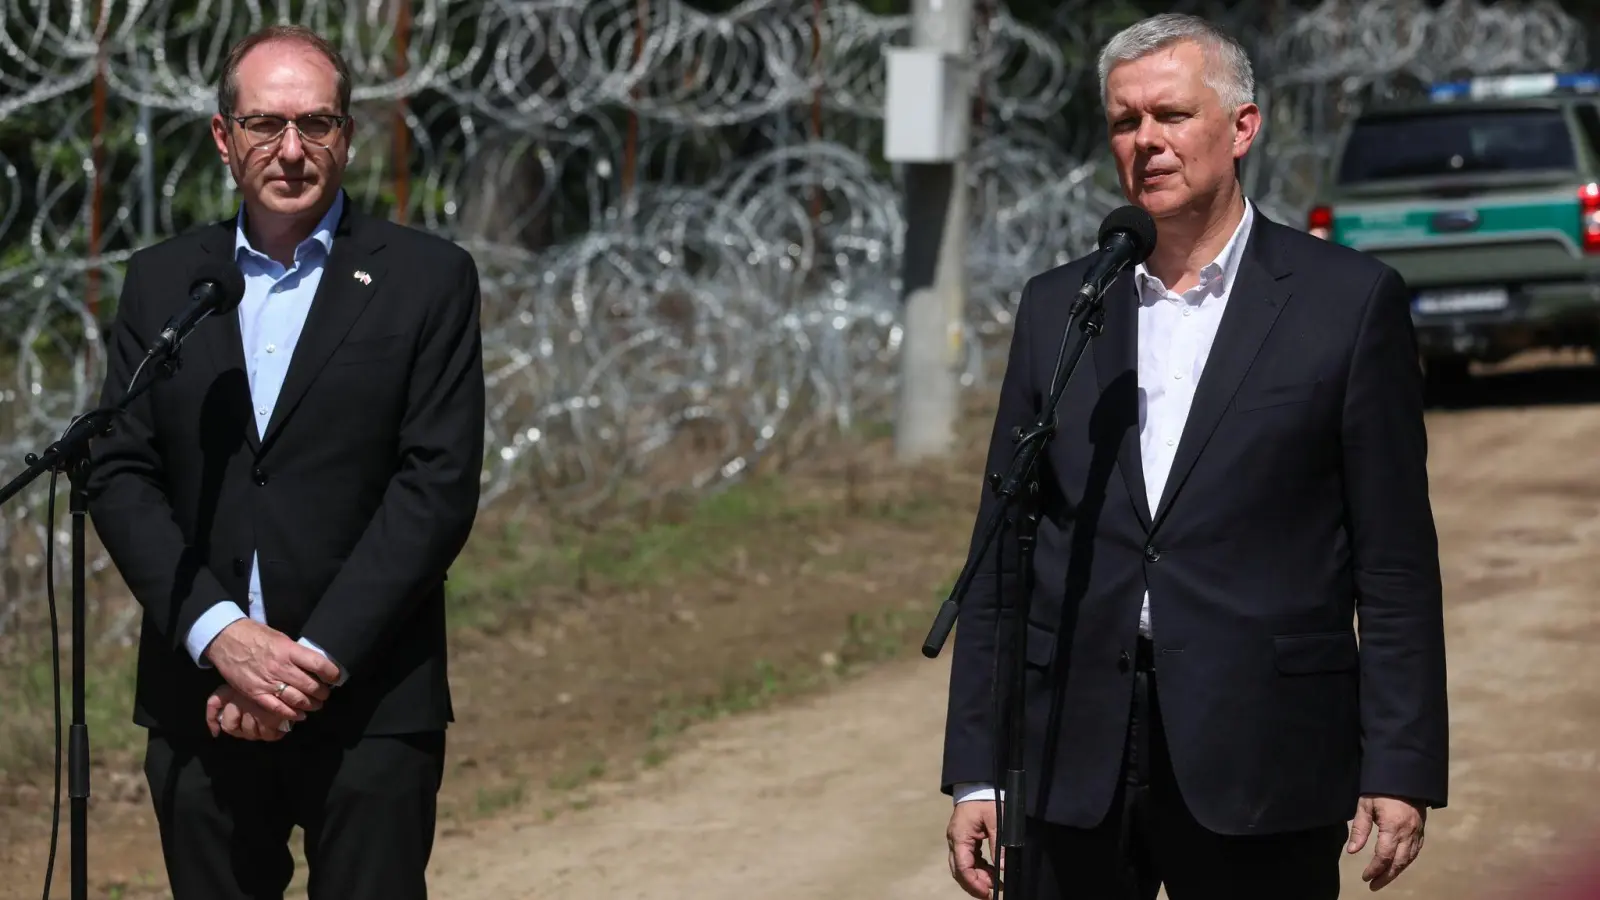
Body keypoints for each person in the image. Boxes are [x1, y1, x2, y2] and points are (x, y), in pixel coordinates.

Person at [939, 13, 1448, 899]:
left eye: (1172, 116)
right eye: (1126, 122)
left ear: (1242, 127)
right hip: (1075, 752)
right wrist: (980, 769)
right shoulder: (1060, 307)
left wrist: (1401, 762)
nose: (1148, 143)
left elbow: (1396, 562)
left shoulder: (1347, 302)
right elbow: (1003, 556)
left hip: (1265, 747)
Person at [86, 24, 485, 900]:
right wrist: (221, 636)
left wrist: (304, 665)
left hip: (370, 698)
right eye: (266, 124)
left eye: (318, 123)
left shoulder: (427, 280)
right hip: (204, 700)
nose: (293, 150)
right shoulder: (164, 282)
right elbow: (117, 468)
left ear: (349, 134)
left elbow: (437, 487)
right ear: (226, 137)